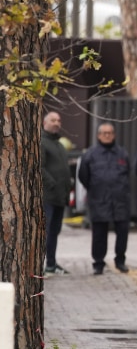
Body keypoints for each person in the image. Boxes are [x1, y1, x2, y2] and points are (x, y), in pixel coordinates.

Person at [77, 123, 131, 275]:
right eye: (104, 133)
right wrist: (94, 188)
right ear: (98, 135)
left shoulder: (122, 153)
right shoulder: (90, 154)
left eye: (110, 133)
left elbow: (128, 173)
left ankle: (120, 261)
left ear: (114, 135)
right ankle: (98, 263)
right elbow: (83, 175)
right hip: (98, 199)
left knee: (122, 232)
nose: (107, 135)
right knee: (99, 233)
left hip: (120, 200)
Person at [41, 111, 72, 276]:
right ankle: (42, 265)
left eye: (59, 120)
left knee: (54, 232)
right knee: (45, 232)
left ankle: (51, 264)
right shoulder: (42, 142)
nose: (57, 123)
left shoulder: (59, 144)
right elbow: (40, 167)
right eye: (53, 120)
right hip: (48, 196)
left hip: (60, 196)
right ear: (45, 122)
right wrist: (51, 184)